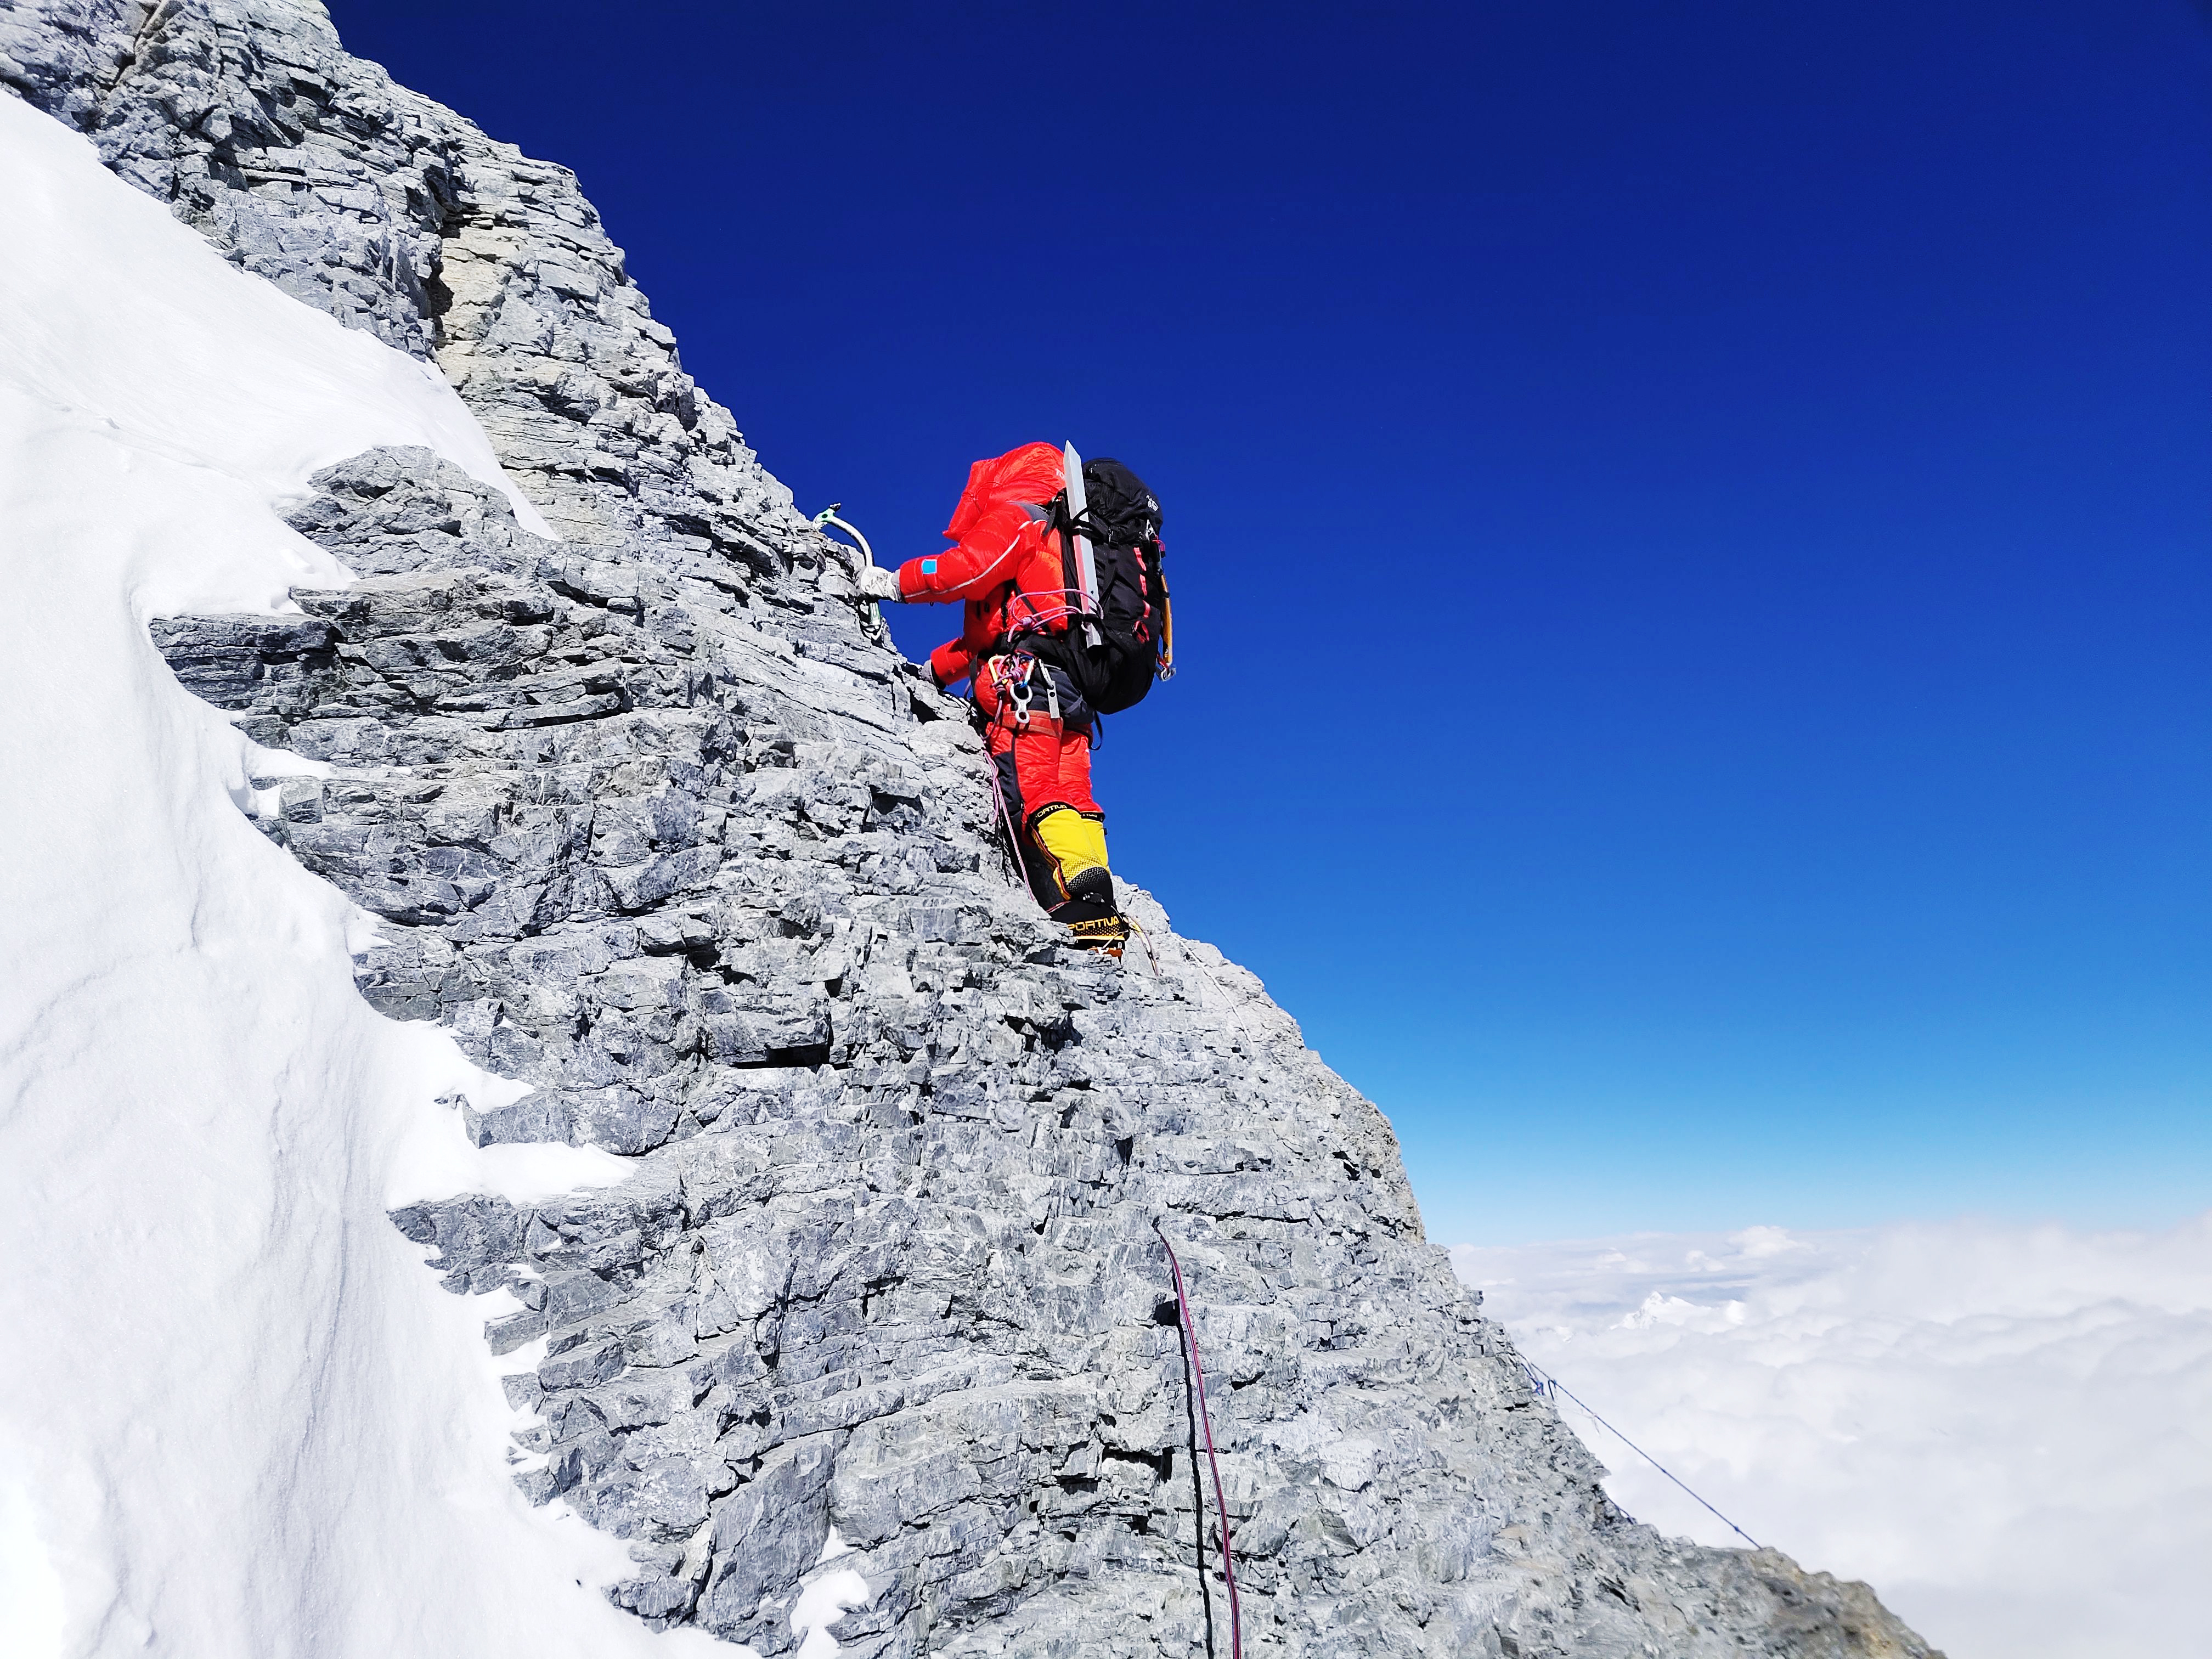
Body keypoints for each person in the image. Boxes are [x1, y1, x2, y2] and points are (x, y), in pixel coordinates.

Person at [856, 443, 1129, 954]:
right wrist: (933, 671)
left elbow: (967, 568)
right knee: (1075, 793)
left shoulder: (1021, 518)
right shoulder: (1073, 542)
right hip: (1074, 694)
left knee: (1035, 790)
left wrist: (893, 583)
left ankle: (1082, 901)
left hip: (1026, 691)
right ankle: (1100, 906)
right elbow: (992, 637)